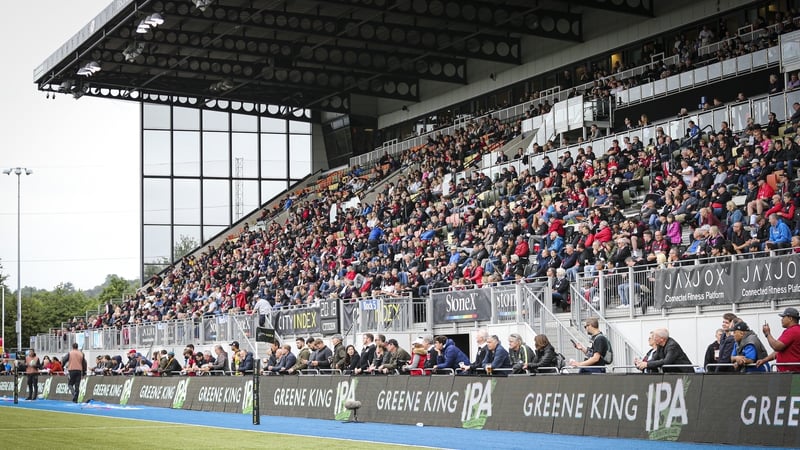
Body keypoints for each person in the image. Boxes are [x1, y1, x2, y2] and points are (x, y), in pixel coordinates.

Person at [757, 307, 800, 372]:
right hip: (791, 372)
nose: (781, 320)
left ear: (790, 318)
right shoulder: (796, 330)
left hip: (790, 373)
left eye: (783, 317)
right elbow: (779, 351)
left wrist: (767, 334)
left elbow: (777, 347)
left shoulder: (792, 331)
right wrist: (764, 360)